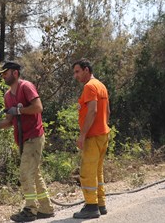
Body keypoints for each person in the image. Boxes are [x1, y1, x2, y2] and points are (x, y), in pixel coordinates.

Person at [0, 61, 54, 222]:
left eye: (5, 73)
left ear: (15, 73)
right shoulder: (8, 96)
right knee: (34, 173)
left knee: (25, 172)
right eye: (1, 74)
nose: (3, 76)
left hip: (34, 136)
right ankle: (46, 208)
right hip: (22, 139)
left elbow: (38, 107)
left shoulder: (26, 87)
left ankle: (30, 209)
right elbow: (9, 121)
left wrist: (19, 110)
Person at [71, 58, 110, 219]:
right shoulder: (101, 85)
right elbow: (107, 111)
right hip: (103, 134)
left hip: (93, 136)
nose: (75, 76)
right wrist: (103, 128)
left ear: (86, 70)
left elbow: (92, 111)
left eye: (77, 71)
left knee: (87, 171)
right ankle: (100, 204)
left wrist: (83, 134)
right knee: (98, 171)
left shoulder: (89, 87)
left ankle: (91, 206)